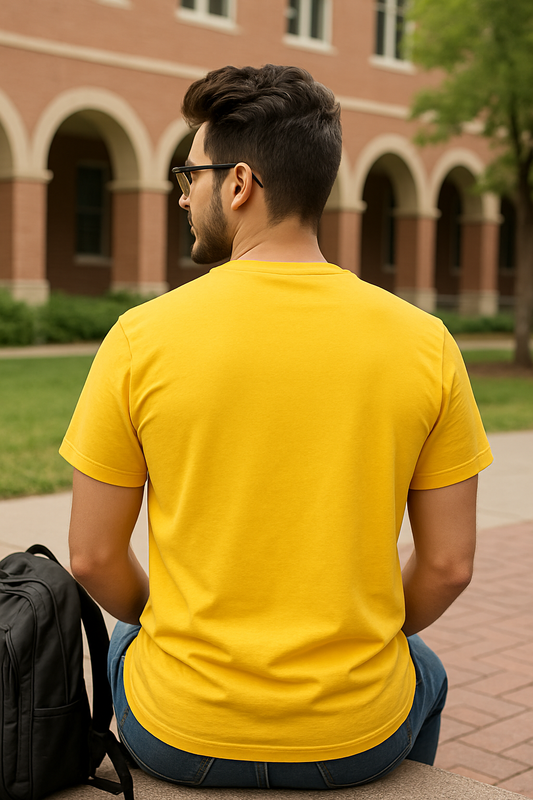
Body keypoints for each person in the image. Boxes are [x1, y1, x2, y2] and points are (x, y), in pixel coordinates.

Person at [60, 64, 493, 790]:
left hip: (179, 732)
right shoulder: (425, 343)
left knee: (128, 639)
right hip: (355, 739)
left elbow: (93, 557)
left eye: (188, 174)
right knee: (425, 673)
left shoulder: (141, 338)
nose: (180, 193)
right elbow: (448, 565)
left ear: (237, 184)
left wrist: (167, 624)